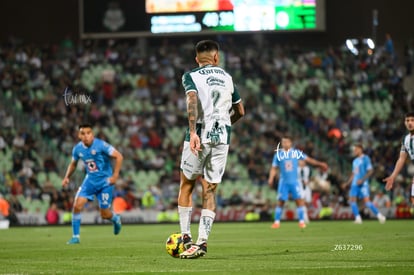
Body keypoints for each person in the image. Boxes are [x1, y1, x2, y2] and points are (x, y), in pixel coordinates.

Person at [177, 40, 245, 259]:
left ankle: (185, 238)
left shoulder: (191, 75)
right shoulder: (228, 78)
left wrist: (193, 132)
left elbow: (192, 100)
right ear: (217, 57)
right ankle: (202, 243)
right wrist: (224, 125)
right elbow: (240, 111)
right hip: (222, 137)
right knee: (210, 190)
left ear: (197, 59)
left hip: (199, 133)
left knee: (187, 184)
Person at [62, 123, 123, 244]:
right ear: (79, 135)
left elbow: (119, 156)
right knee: (77, 205)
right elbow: (73, 164)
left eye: (88, 133)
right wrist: (66, 177)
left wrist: (115, 176)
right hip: (89, 181)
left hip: (105, 182)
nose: (86, 136)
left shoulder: (101, 145)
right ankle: (76, 237)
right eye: (83, 133)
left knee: (104, 215)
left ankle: (115, 219)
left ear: (92, 134)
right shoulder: (77, 149)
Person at [268, 135, 328, 229]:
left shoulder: (296, 153)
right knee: (280, 202)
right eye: (283, 142)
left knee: (299, 201)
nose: (285, 144)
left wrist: (320, 164)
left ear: (291, 143)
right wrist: (271, 178)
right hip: (283, 182)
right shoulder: (278, 154)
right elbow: (274, 168)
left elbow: (309, 160)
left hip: (294, 182)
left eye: (287, 142)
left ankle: (301, 221)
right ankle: (276, 222)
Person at [345, 144, 386, 224]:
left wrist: (362, 180)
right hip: (354, 184)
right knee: (352, 200)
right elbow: (354, 173)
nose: (355, 151)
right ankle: (358, 218)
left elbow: (370, 171)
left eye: (356, 149)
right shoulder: (355, 161)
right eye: (354, 150)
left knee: (367, 202)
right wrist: (347, 183)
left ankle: (380, 216)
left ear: (361, 149)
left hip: (363, 184)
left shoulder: (366, 158)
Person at [383, 112, 414, 214]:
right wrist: (393, 176)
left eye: (412, 120)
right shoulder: (406, 139)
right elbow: (401, 159)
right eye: (407, 120)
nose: (410, 123)